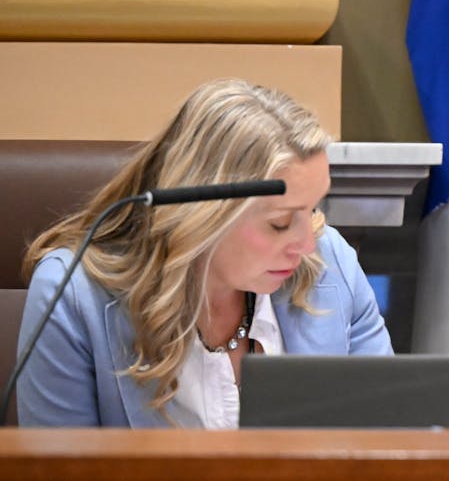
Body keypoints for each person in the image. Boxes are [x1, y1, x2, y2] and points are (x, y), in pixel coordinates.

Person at [17, 79, 391, 427]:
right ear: (202, 215)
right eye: (279, 223)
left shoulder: (333, 264)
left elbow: (392, 439)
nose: (308, 245)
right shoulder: (72, 296)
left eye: (310, 210)